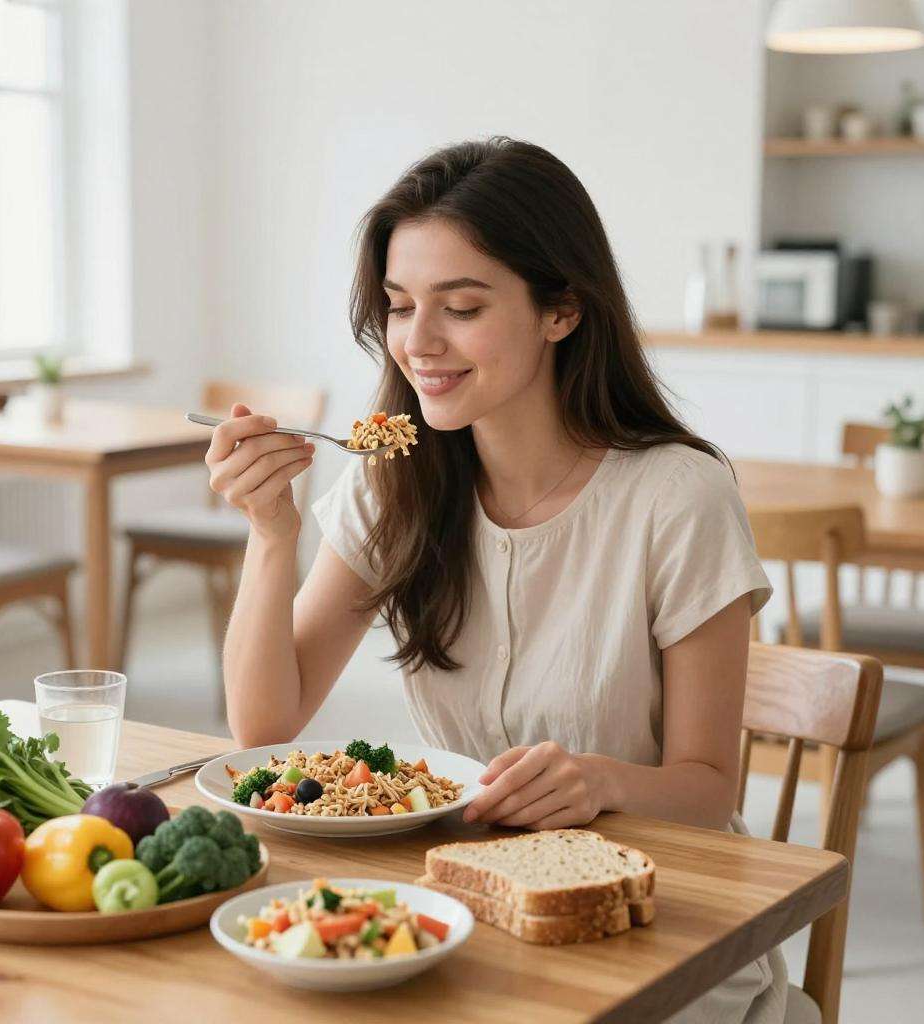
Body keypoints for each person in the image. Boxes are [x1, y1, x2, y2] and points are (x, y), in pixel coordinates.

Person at [206, 137, 784, 1023]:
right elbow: (263, 724)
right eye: (400, 306)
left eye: (463, 307)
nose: (418, 343)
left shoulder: (678, 496)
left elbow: (710, 791)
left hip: (666, 923)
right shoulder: (394, 479)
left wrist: (603, 782)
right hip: (474, 903)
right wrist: (271, 533)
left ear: (562, 309)